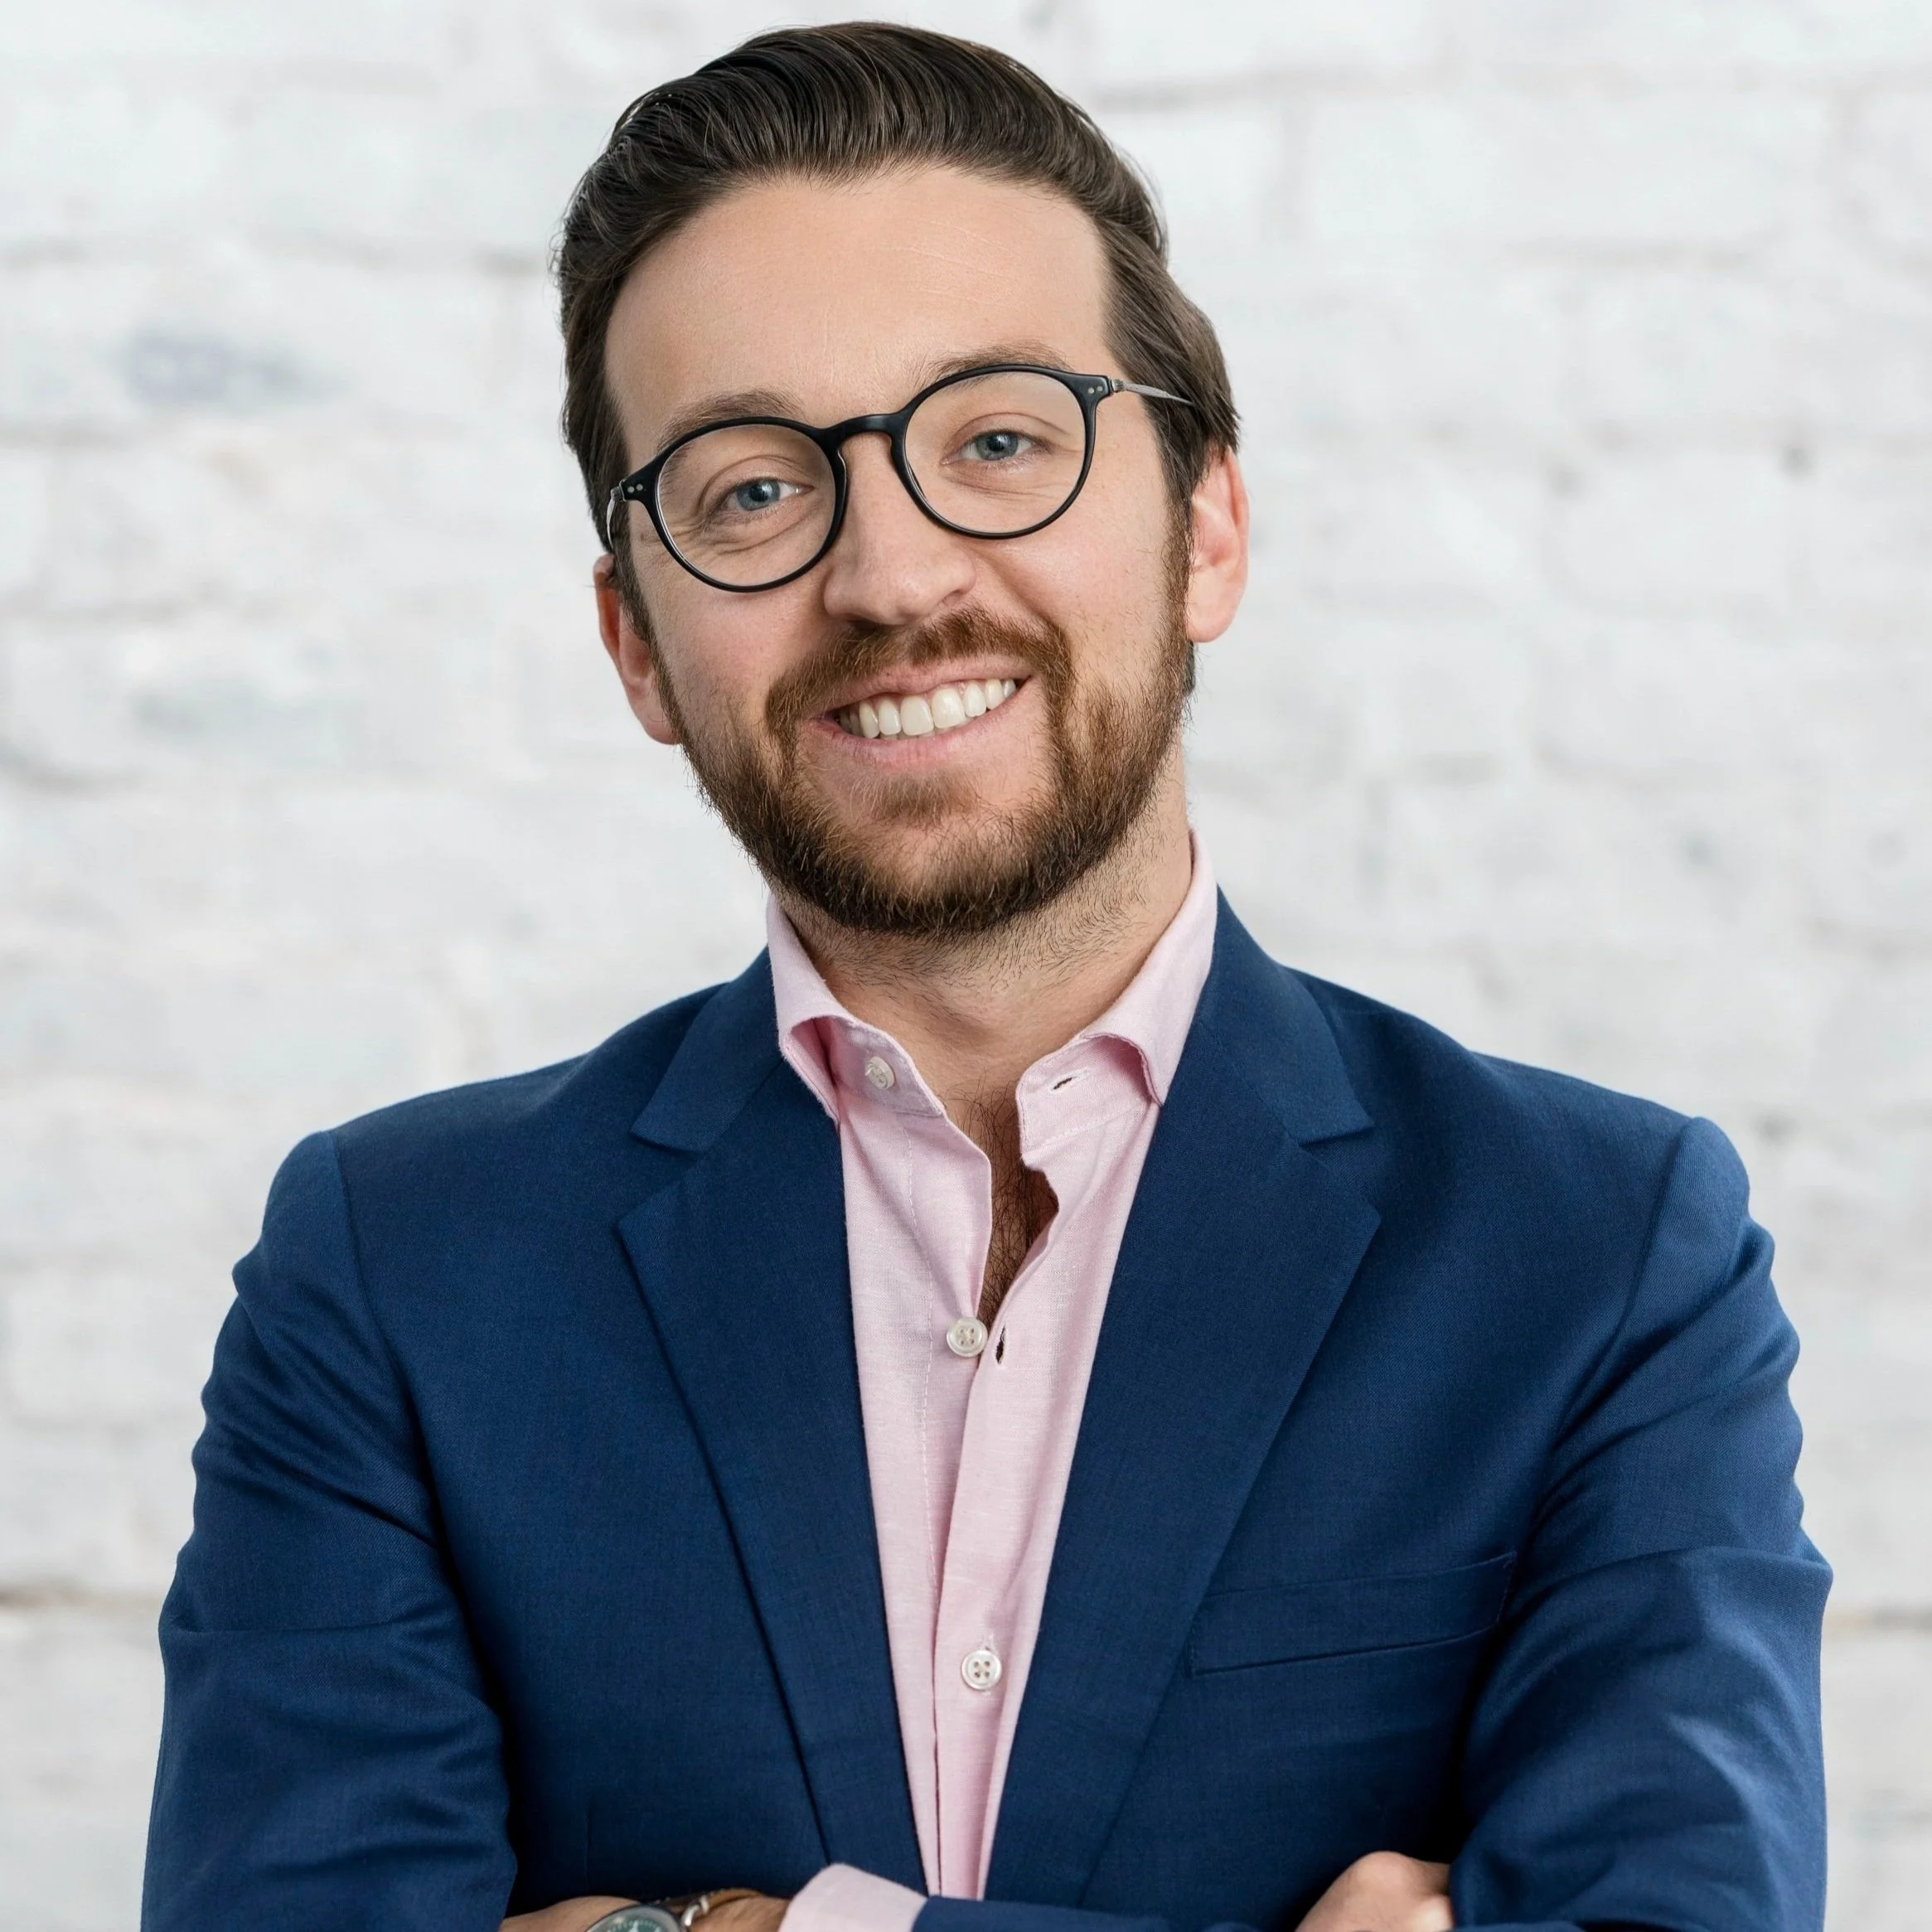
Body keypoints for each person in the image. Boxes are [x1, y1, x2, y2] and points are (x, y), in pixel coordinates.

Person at [141, 24, 1829, 1932]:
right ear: (633, 641)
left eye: (1000, 442)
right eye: (753, 489)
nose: (889, 570)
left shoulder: (1595, 1251)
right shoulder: (393, 1273)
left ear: (1206, 528)